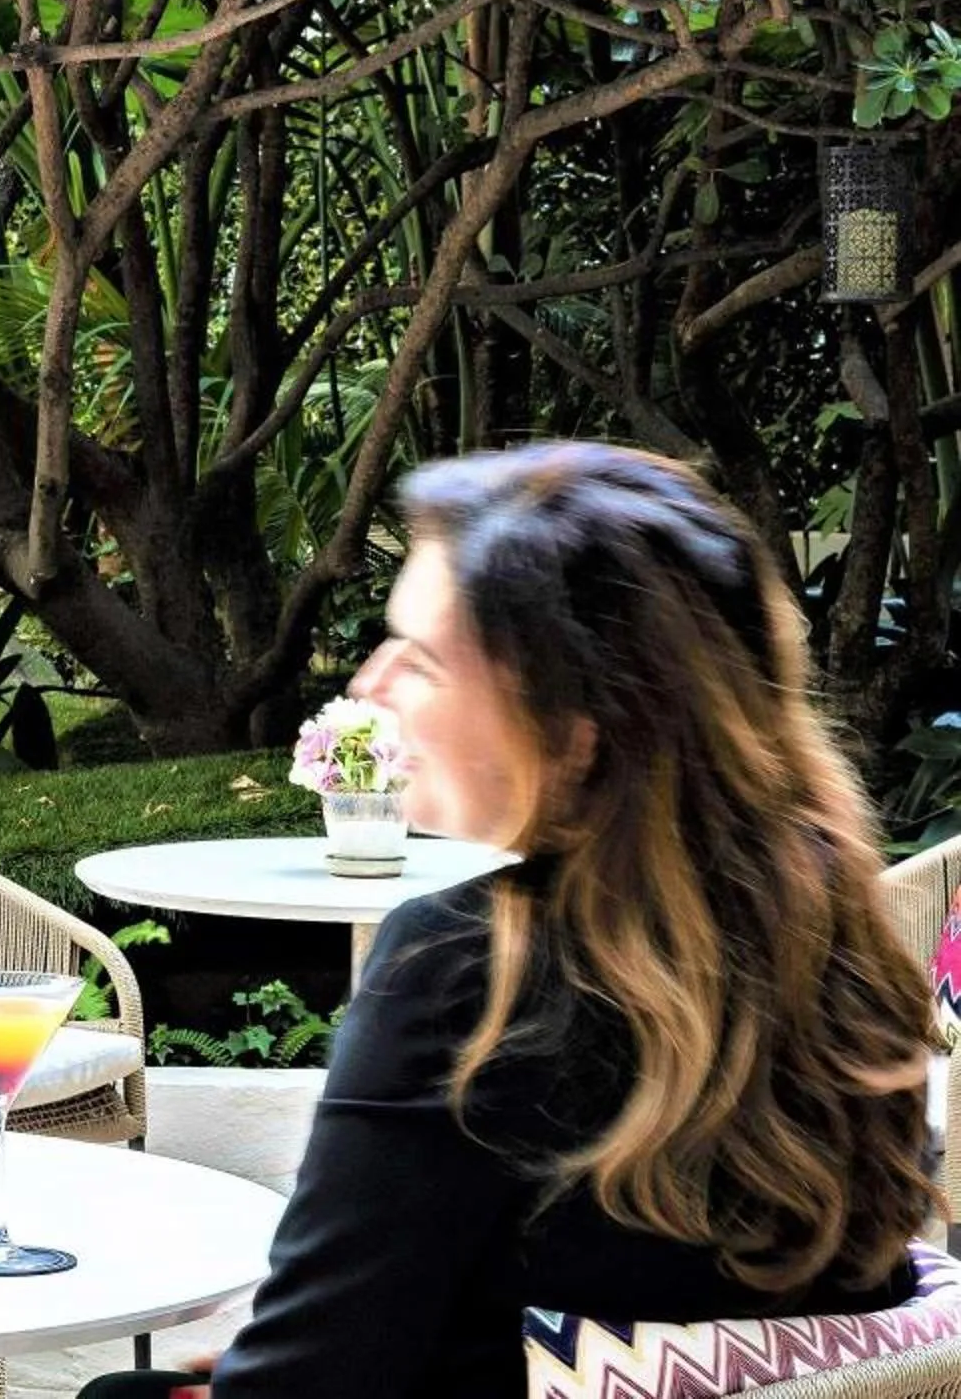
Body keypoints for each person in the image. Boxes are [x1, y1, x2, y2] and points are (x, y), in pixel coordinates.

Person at [88, 443, 936, 1399]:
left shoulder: (464, 969)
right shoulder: (842, 939)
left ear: (576, 736)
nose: (371, 687)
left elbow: (309, 1381)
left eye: (422, 660)